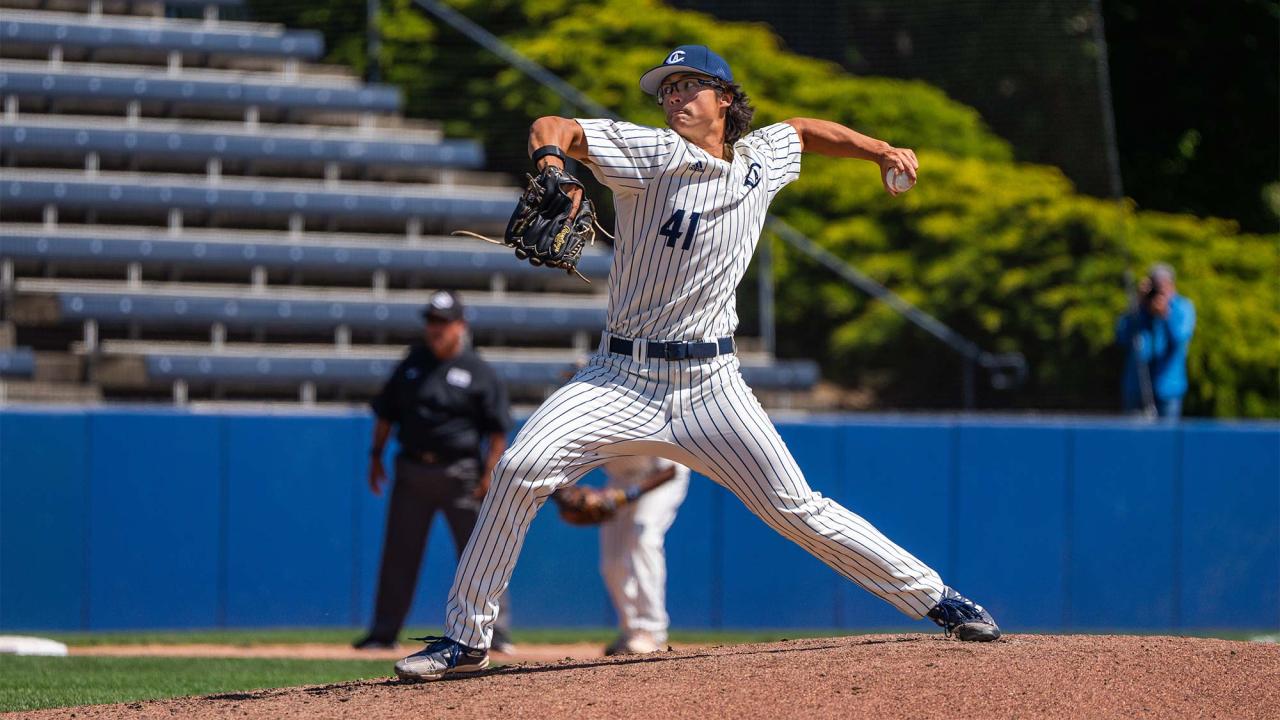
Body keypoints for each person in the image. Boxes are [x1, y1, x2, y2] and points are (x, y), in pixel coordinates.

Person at [395, 44, 1001, 682]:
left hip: (713, 385)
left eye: (689, 86)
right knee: (518, 470)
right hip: (618, 378)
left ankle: (937, 598)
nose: (675, 98)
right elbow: (557, 127)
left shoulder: (760, 158)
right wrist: (553, 162)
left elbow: (803, 131)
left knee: (795, 507)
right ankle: (466, 640)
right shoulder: (651, 153)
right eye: (667, 90)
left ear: (727, 100)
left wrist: (878, 148)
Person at [356, 289, 517, 654]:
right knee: (399, 554)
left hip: (462, 474)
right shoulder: (412, 363)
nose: (436, 329)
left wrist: (490, 473)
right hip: (412, 470)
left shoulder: (478, 370)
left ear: (461, 326)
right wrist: (376, 455)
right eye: (431, 321)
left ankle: (497, 632)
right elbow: (386, 412)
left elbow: (497, 431)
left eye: (444, 322)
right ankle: (383, 632)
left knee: (482, 554)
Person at [599, 456, 690, 656]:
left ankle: (651, 630)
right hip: (620, 481)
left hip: (661, 478)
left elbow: (671, 470)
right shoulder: (585, 425)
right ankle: (631, 630)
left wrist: (629, 494)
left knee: (644, 537)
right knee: (612, 561)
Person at [1116, 263, 1197, 419]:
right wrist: (1139, 305)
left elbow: (1180, 339)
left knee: (1167, 441)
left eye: (1162, 285)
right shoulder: (1140, 310)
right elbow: (1122, 336)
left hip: (1168, 387)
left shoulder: (1183, 307)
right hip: (1137, 386)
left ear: (1171, 284)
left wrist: (1166, 315)